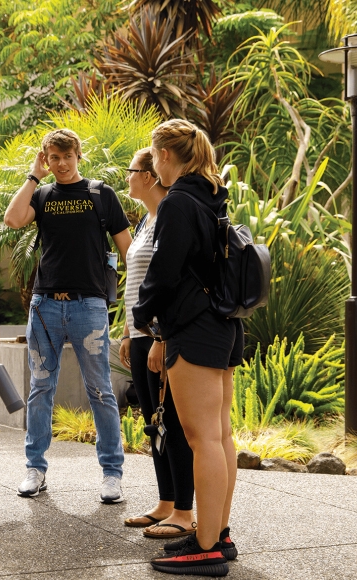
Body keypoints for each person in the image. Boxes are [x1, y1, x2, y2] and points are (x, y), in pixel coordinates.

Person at [133, 119, 243, 577]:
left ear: (163, 156)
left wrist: (142, 315)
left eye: (155, 155)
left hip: (193, 329)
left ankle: (207, 547)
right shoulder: (211, 195)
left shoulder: (179, 201)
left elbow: (165, 269)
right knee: (219, 435)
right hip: (222, 324)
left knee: (201, 439)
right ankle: (216, 535)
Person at [4, 128, 131, 503]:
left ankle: (112, 474)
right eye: (53, 158)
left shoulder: (100, 194)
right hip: (45, 305)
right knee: (41, 388)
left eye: (66, 157)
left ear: (78, 155)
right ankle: (35, 469)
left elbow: (128, 252)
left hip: (88, 305)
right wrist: (33, 176)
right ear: (45, 158)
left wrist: (136, 310)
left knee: (101, 391)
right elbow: (13, 220)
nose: (60, 164)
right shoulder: (42, 195)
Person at [118, 147, 196, 539]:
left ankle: (185, 510)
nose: (126, 178)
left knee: (173, 423)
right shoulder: (147, 220)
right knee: (154, 423)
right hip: (139, 336)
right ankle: (166, 502)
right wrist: (129, 332)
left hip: (158, 337)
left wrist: (159, 337)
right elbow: (140, 285)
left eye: (131, 171)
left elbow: (170, 281)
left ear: (149, 175)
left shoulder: (169, 214)